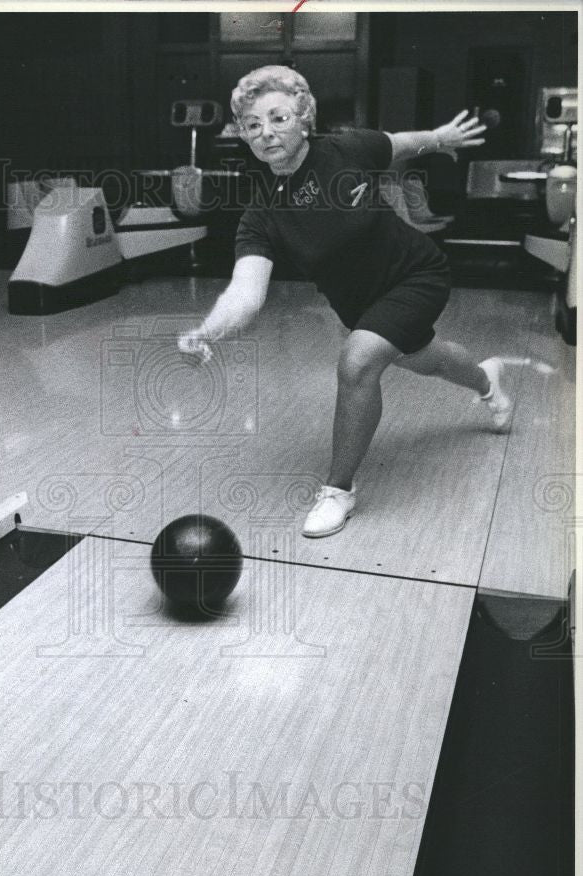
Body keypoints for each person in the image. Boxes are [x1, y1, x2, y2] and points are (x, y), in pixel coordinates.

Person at [177, 65, 512, 538]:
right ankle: (487, 382)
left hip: (417, 274)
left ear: (304, 118)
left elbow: (401, 143)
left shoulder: (346, 149)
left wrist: (440, 136)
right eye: (253, 125)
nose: (266, 132)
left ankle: (338, 491)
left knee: (357, 362)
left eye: (278, 118)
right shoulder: (261, 217)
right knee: (425, 358)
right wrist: (207, 330)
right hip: (361, 305)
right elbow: (246, 295)